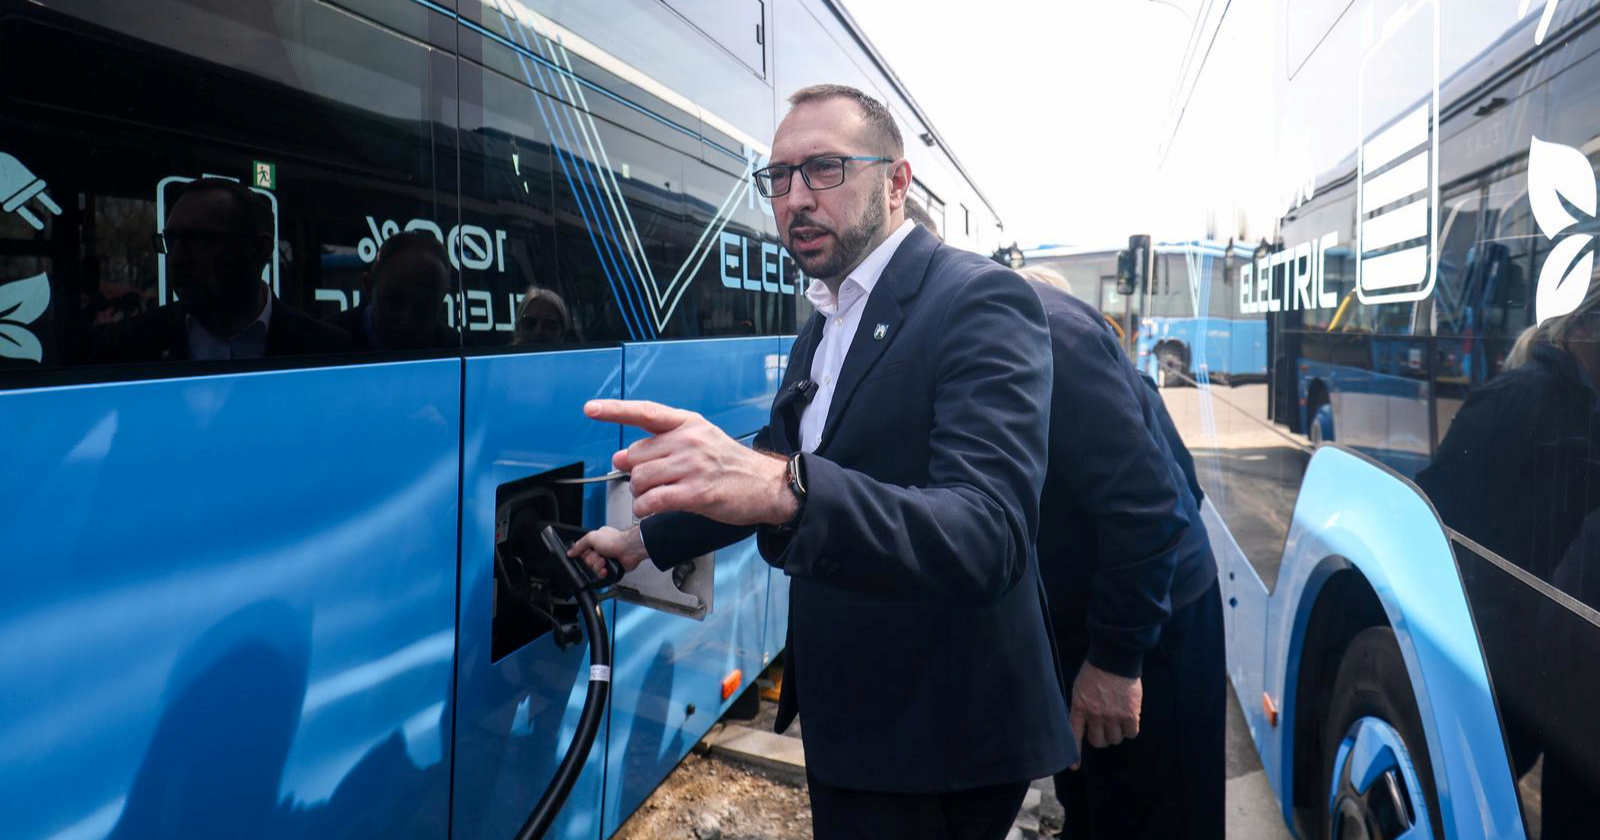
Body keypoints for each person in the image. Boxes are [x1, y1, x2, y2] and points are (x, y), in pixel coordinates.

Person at [569, 83, 1074, 839]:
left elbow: (988, 534)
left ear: (898, 183)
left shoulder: (979, 299)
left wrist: (784, 484)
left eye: (826, 169)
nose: (796, 198)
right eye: (779, 177)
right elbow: (774, 463)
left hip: (939, 731)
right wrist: (643, 542)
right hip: (859, 711)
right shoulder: (829, 313)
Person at [1017, 262, 1224, 839]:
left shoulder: (1055, 340)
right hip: (1112, 609)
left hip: (1155, 622)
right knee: (1093, 801)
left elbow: (1155, 509)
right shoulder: (1097, 358)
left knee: (1155, 811)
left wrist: (1115, 656)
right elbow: (1188, 486)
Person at [92, 178, 347, 363]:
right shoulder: (125, 347)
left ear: (259, 250)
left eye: (200, 239)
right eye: (171, 240)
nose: (178, 258)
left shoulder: (330, 350)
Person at [330, 230, 455, 352]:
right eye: (395, 301)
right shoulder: (324, 343)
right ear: (368, 287)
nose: (408, 321)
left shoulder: (453, 346)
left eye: (425, 305)